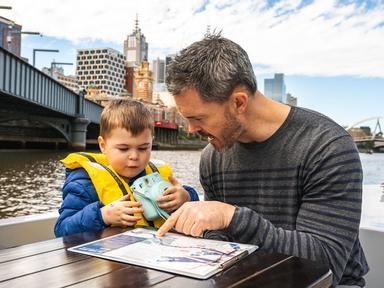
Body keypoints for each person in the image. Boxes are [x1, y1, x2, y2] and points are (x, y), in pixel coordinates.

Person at [157, 34, 368, 287]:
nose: (190, 130)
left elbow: (325, 262)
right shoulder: (212, 157)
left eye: (198, 118)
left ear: (238, 102)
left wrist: (232, 217)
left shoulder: (327, 147)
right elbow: (221, 239)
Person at [54, 100, 199, 237]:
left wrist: (186, 197)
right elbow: (62, 230)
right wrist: (102, 216)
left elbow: (191, 204)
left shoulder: (156, 174)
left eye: (143, 148)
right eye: (124, 149)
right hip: (107, 259)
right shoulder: (84, 183)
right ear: (103, 145)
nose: (134, 156)